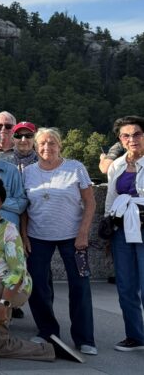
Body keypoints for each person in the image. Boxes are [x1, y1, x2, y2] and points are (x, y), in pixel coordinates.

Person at [0, 177, 81, 366]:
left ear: (1, 204)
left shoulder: (8, 229)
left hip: (11, 287)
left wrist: (4, 304)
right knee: (0, 345)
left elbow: (17, 271)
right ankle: (50, 349)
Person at [21, 127, 96, 355]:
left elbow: (90, 202)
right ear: (35, 147)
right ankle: (47, 331)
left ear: (60, 145)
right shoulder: (27, 171)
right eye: (42, 143)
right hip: (37, 236)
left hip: (73, 237)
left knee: (80, 286)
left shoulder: (75, 168)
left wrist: (83, 232)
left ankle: (85, 338)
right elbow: (24, 207)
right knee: (38, 286)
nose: (47, 147)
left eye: (51, 143)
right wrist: (24, 235)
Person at [103, 115, 144, 351]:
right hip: (121, 230)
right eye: (126, 135)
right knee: (126, 285)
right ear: (120, 139)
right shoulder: (117, 164)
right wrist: (108, 232)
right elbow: (111, 199)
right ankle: (135, 336)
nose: (132, 139)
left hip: (143, 226)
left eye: (137, 134)